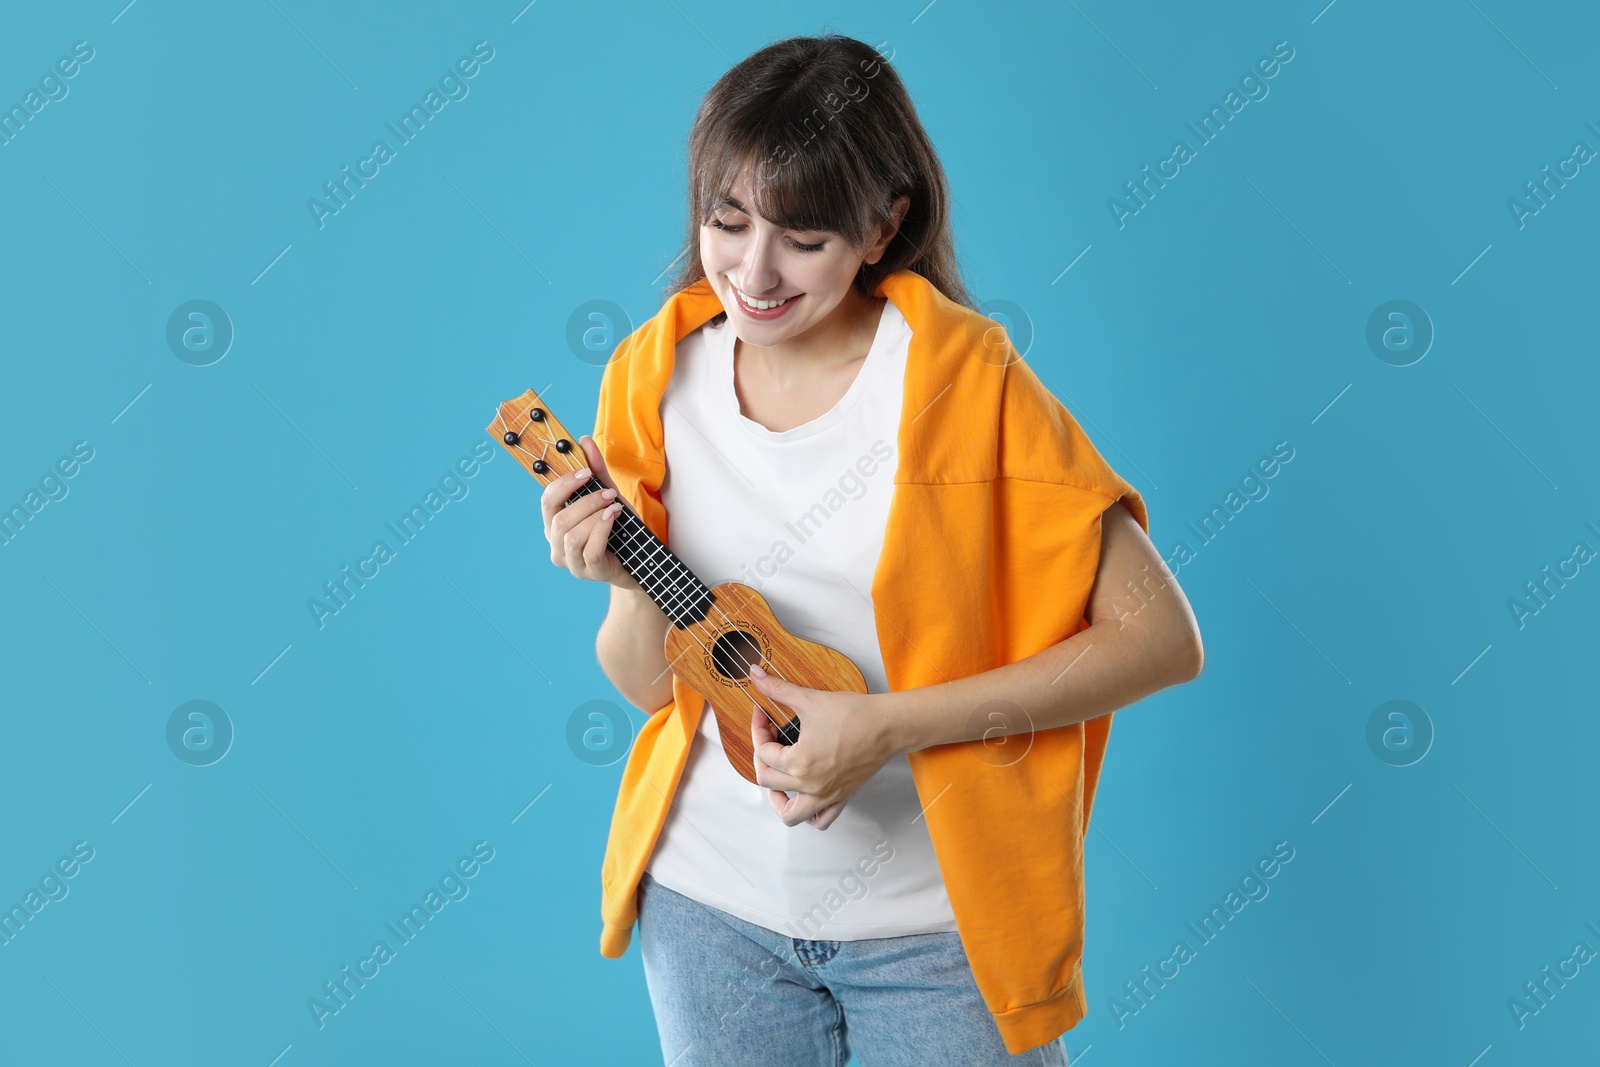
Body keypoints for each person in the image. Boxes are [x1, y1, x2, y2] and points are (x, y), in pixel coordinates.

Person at [538, 33, 1204, 1067]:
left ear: (883, 224)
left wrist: (887, 727)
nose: (751, 271)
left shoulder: (964, 385)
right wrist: (625, 587)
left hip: (935, 927)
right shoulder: (651, 375)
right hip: (709, 909)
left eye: (802, 237)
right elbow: (648, 684)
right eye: (727, 220)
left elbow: (1161, 639)